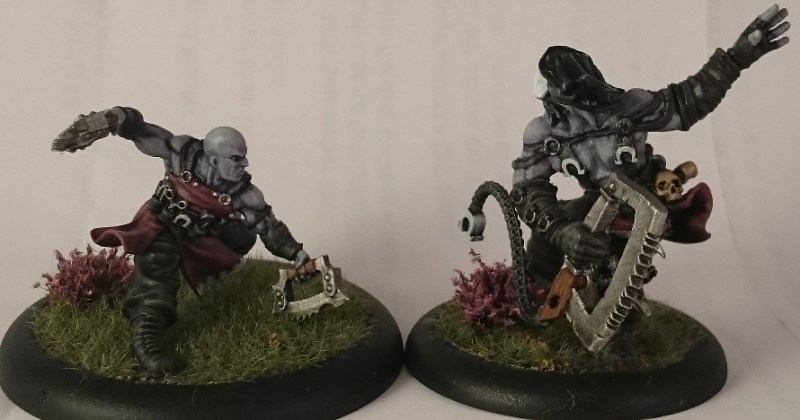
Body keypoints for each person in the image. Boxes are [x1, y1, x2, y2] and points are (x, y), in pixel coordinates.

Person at [510, 5, 789, 350]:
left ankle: (620, 338)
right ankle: (535, 304)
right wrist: (560, 230)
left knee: (620, 269)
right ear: (549, 93)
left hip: (641, 202)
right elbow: (526, 187)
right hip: (598, 201)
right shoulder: (544, 134)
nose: (590, 110)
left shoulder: (629, 107)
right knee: (543, 245)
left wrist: (735, 59)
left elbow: (687, 101)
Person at [53, 107, 310, 374]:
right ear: (213, 161)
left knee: (244, 235)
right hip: (162, 224)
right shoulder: (180, 153)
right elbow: (141, 131)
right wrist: (112, 119)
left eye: (244, 157)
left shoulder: (245, 193)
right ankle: (146, 337)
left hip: (205, 234)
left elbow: (268, 226)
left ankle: (203, 261)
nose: (244, 164)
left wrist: (296, 253)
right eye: (236, 158)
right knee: (157, 262)